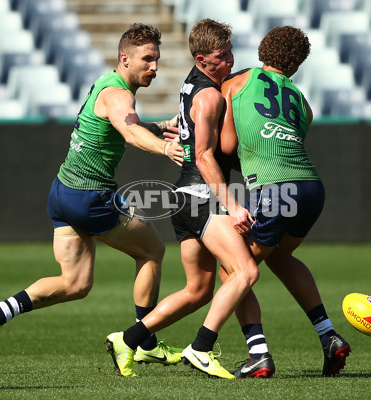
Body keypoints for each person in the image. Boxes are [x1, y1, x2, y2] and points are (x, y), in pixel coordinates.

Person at [0, 23, 186, 367]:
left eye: (157, 60)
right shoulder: (120, 95)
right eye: (147, 59)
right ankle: (144, 340)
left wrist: (159, 126)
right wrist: (166, 148)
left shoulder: (105, 83)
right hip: (90, 197)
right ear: (125, 58)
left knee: (75, 283)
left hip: (62, 192)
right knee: (152, 251)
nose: (155, 67)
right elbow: (129, 132)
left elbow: (121, 125)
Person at [104, 18, 259, 380]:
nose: (231, 60)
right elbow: (204, 156)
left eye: (231, 52)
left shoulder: (195, 81)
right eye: (222, 56)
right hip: (202, 196)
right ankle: (201, 349)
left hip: (185, 198)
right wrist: (233, 205)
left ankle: (128, 339)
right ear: (203, 59)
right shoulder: (207, 95)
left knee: (199, 289)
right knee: (245, 271)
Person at [219, 25, 351, 378]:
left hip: (275, 188)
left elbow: (229, 146)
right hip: (310, 188)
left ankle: (258, 353)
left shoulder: (237, 82)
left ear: (263, 49)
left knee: (232, 270)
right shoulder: (300, 99)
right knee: (281, 256)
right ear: (297, 65)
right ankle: (329, 337)